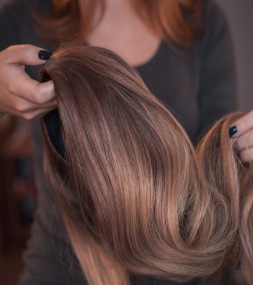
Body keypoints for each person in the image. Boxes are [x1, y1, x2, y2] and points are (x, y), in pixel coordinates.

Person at [0, 0, 249, 284]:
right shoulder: (22, 18)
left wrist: (239, 158)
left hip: (179, 270)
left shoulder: (200, 20)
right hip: (62, 266)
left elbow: (218, 169)